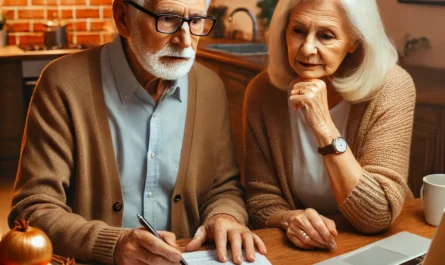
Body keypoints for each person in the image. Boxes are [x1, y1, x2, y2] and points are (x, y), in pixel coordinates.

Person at [8, 0, 267, 264]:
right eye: (167, 18)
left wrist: (224, 215)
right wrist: (113, 244)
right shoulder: (62, 83)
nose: (185, 41)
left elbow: (223, 188)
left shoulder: (211, 88)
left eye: (196, 21)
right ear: (123, 18)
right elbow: (33, 208)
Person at [244, 0, 415, 251]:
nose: (307, 49)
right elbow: (260, 200)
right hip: (303, 247)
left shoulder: (392, 87)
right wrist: (288, 218)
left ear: (355, 41)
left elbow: (377, 214)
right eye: (298, 31)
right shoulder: (263, 92)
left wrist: (324, 126)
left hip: (378, 245)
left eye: (325, 36)